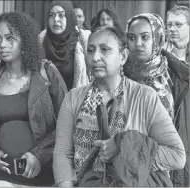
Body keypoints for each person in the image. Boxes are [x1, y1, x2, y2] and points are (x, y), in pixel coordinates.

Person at [53, 26, 185, 187]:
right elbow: (62, 153)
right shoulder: (73, 98)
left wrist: (123, 149)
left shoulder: (144, 97)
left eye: (105, 50)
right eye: (90, 50)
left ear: (123, 56)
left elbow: (177, 156)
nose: (95, 57)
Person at [0, 11, 67, 187]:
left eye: (10, 38)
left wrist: (39, 155)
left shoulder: (47, 73)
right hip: (2, 174)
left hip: (41, 173)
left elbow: (67, 124)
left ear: (24, 40)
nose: (3, 45)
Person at [124, 13, 189, 187]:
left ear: (158, 37)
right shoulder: (116, 75)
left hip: (164, 170)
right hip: (124, 169)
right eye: (132, 37)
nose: (138, 43)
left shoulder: (178, 77)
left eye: (145, 37)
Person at [39, 0, 89, 91]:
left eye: (61, 15)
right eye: (52, 15)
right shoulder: (41, 41)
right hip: (45, 102)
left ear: (69, 17)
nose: (55, 19)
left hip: (73, 102)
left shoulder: (81, 40)